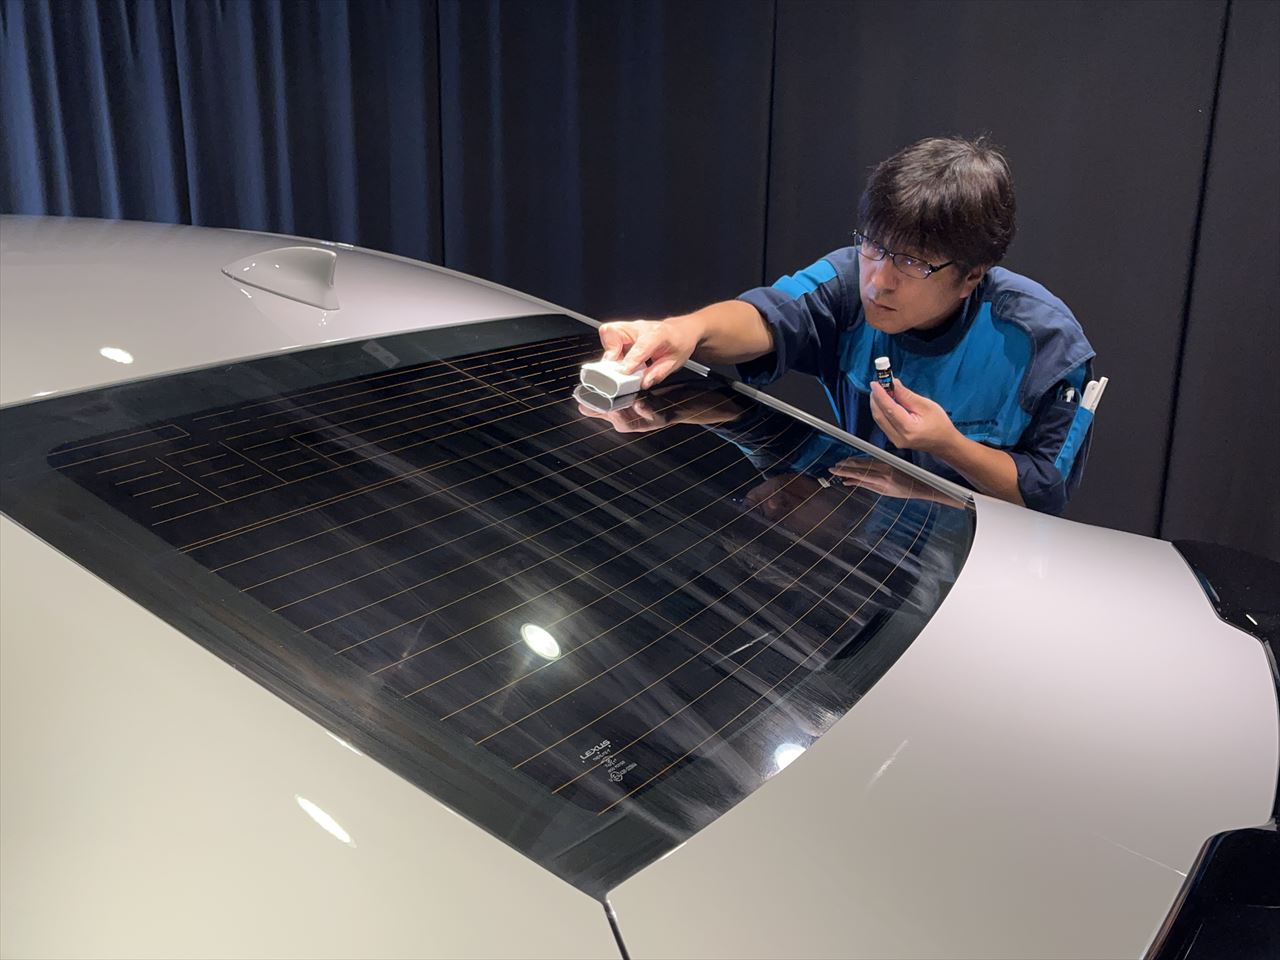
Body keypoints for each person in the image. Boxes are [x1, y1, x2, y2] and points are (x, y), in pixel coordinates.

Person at [595, 136, 1096, 515]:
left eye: (912, 262)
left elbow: (1043, 494)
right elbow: (769, 316)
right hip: (863, 530)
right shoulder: (848, 278)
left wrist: (946, 445)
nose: (879, 281)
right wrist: (687, 331)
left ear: (971, 276)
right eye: (874, 245)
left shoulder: (1045, 344)